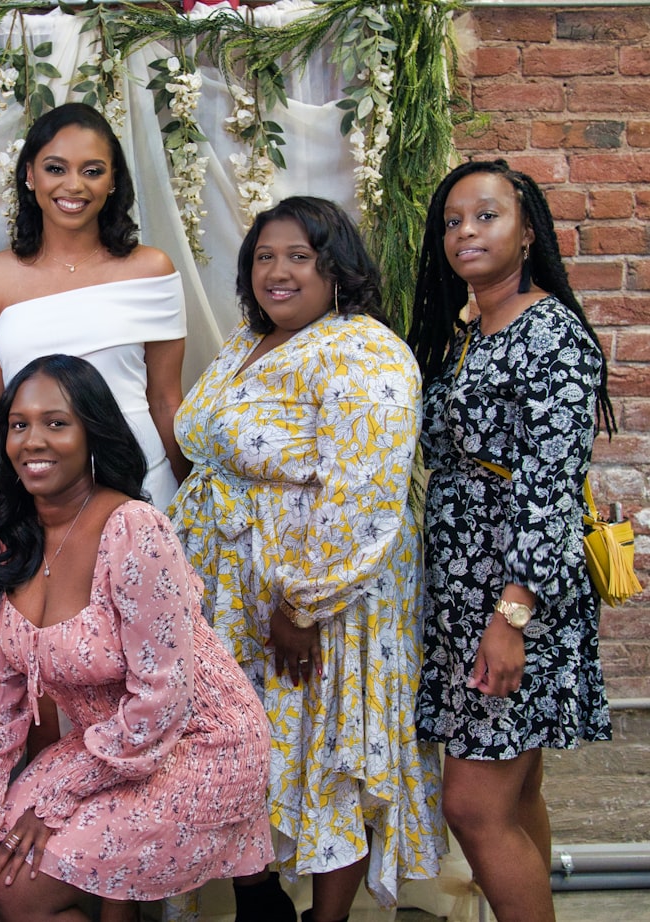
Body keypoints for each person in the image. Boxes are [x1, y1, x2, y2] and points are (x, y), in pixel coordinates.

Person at [170, 196, 445, 922]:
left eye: (300, 256)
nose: (278, 271)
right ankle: (264, 905)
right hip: (234, 597)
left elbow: (366, 494)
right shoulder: (248, 340)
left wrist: (301, 607)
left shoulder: (363, 350)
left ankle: (326, 920)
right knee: (239, 752)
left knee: (325, 755)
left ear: (337, 267)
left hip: (320, 607)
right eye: (264, 256)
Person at [0, 354, 274, 922]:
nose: (33, 441)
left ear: (93, 433)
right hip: (105, 745)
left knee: (19, 893)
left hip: (199, 744)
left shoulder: (134, 529)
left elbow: (161, 702)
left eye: (56, 423)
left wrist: (59, 794)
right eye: (19, 425)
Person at [407, 159, 615, 922]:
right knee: (515, 792)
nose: (465, 231)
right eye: (453, 220)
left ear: (527, 232)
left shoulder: (549, 336)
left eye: (486, 216)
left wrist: (511, 617)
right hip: (469, 592)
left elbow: (549, 491)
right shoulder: (468, 331)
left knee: (473, 805)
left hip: (515, 595)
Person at [0, 102, 189, 510]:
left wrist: (193, 500)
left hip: (142, 484)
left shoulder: (151, 268)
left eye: (92, 171)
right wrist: (2, 506)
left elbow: (165, 400)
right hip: (37, 487)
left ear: (112, 181)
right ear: (30, 176)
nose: (74, 185)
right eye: (56, 168)